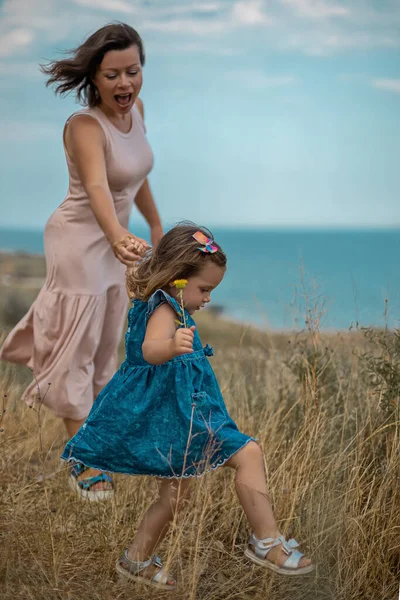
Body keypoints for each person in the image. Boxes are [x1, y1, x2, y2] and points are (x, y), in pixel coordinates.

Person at [61, 222, 314, 591]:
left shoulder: (166, 301)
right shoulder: (164, 310)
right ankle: (266, 543)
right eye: (205, 289)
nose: (208, 298)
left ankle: (137, 560)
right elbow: (149, 349)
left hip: (183, 415)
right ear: (177, 278)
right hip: (178, 418)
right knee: (248, 453)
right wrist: (172, 345)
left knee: (176, 497)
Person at [0, 23, 163, 497]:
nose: (124, 84)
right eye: (112, 75)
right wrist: (116, 235)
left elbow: (137, 177)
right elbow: (96, 186)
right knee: (77, 346)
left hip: (119, 242)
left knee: (106, 344)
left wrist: (153, 225)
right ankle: (82, 461)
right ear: (93, 77)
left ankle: (97, 443)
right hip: (80, 240)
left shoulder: (137, 113)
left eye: (132, 71)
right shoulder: (84, 126)